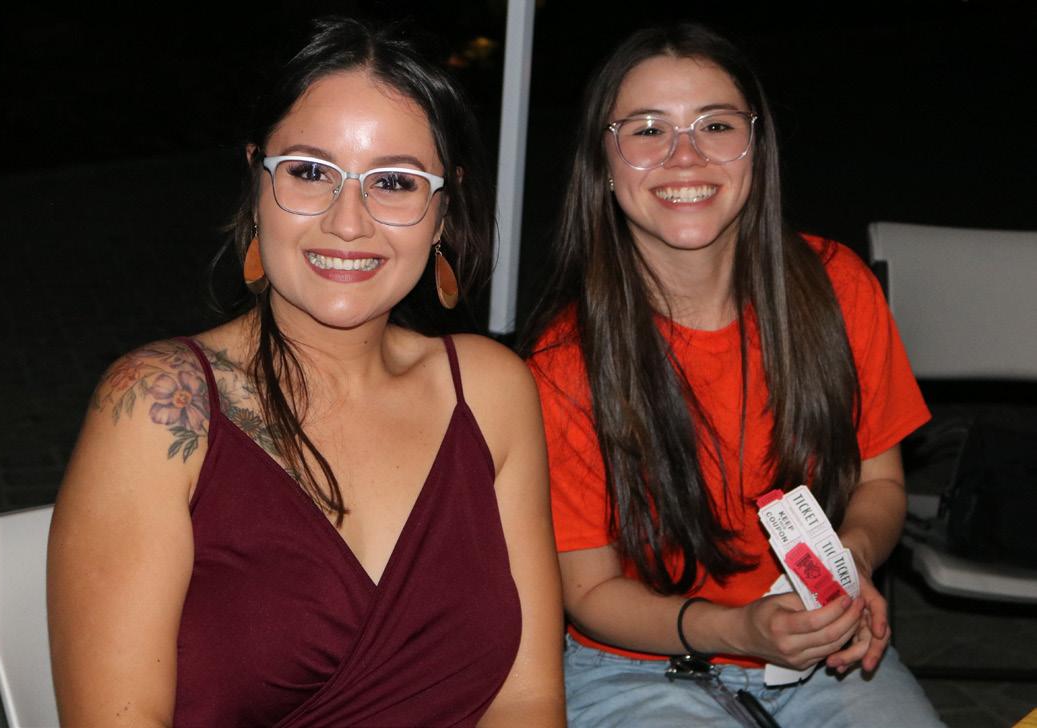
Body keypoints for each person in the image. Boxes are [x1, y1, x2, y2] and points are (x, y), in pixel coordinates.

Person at [47, 17, 564, 727]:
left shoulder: (489, 391)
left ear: (442, 211)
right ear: (257, 182)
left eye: (395, 182)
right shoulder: (160, 406)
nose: (348, 221)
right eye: (310, 172)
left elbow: (527, 699)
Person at [522, 22, 943, 728]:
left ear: (757, 147)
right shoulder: (561, 361)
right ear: (602, 161)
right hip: (634, 664)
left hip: (826, 654)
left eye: (715, 125)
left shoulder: (837, 287)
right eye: (647, 130)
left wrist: (847, 567)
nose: (684, 156)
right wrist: (742, 630)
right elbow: (589, 593)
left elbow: (880, 483)